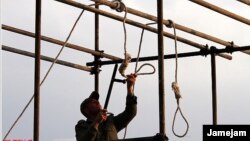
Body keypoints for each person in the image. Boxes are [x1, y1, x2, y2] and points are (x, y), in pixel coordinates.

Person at [75, 74, 137, 141]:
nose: (97, 102)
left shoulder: (110, 121)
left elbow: (130, 112)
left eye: (97, 101)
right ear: (86, 110)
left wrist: (129, 88)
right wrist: (96, 122)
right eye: (93, 102)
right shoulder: (82, 126)